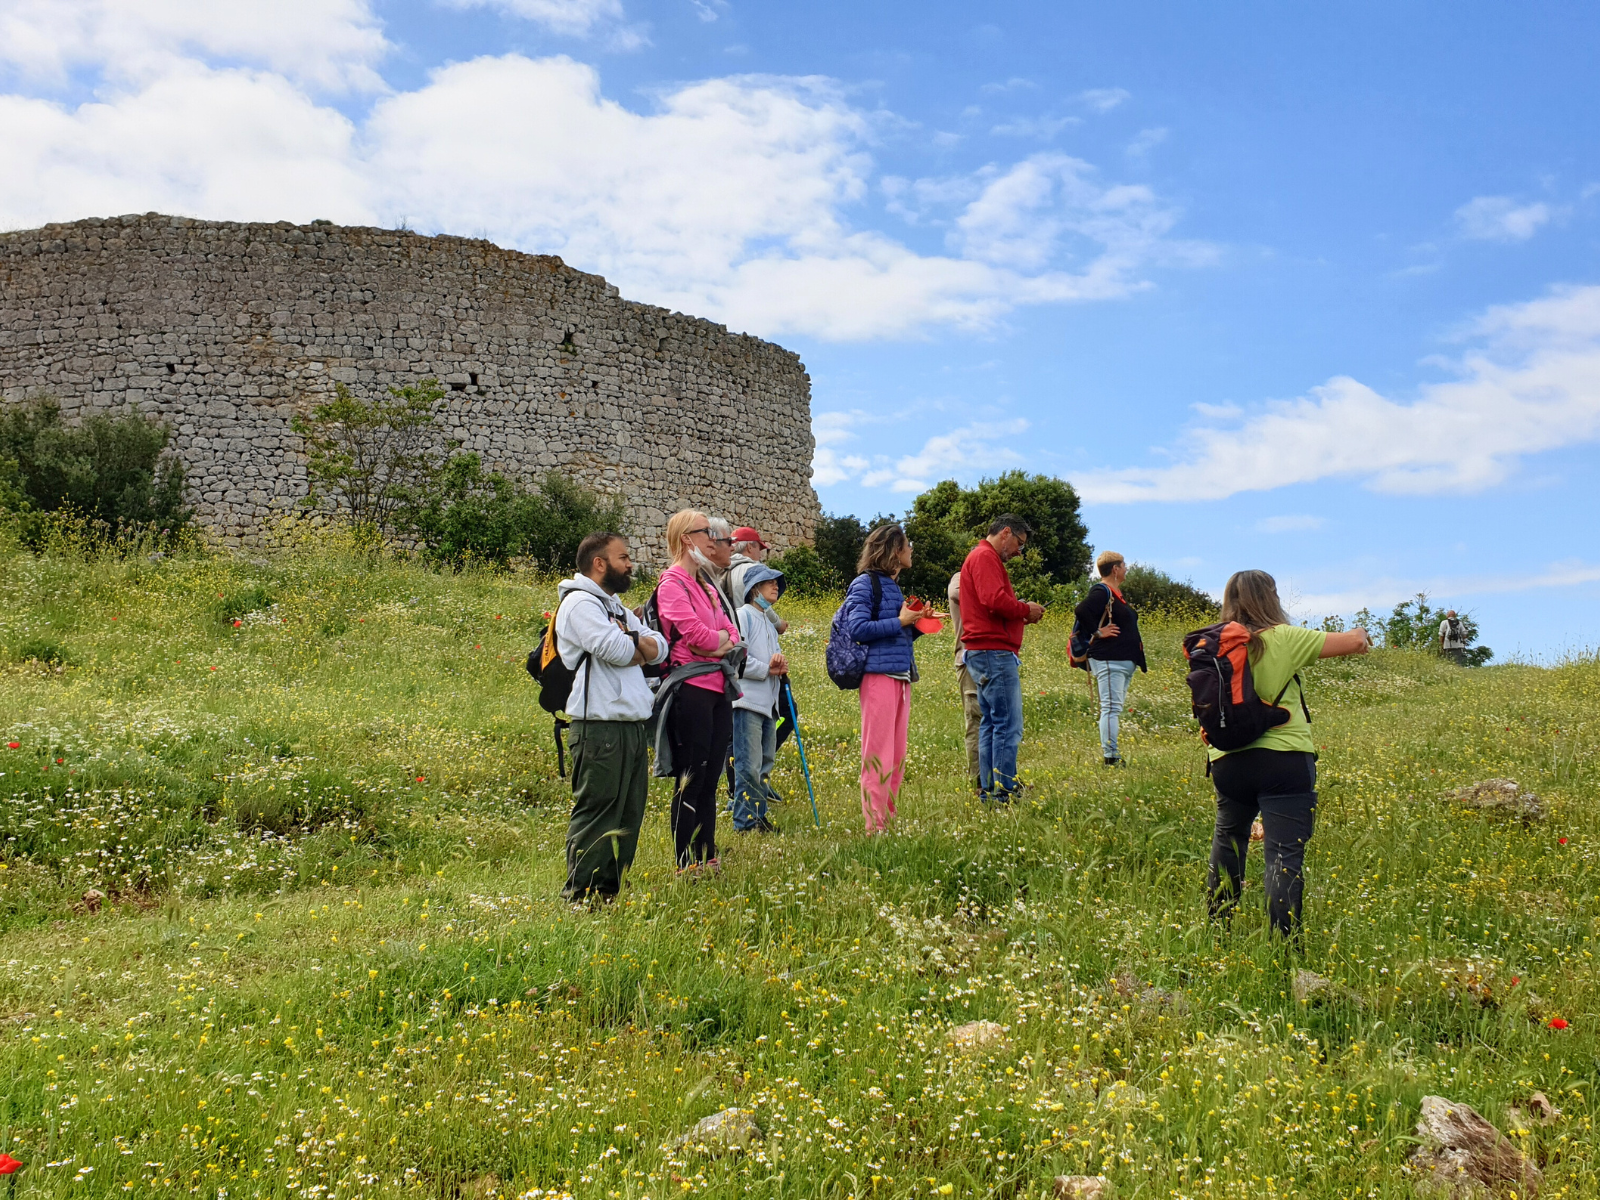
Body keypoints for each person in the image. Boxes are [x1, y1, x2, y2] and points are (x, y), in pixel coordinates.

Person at [1206, 569, 1369, 941]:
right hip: (1284, 759)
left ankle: (1217, 935)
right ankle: (1284, 948)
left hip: (1227, 761)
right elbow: (1354, 643)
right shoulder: (1284, 637)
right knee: (1283, 855)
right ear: (1271, 597)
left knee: (1228, 843)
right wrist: (1361, 632)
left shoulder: (1215, 644)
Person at [553, 531, 668, 902]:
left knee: (628, 814)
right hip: (599, 726)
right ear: (599, 563)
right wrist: (636, 644)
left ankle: (610, 888)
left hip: (630, 726)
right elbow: (615, 649)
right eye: (623, 557)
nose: (630, 563)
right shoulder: (580, 604)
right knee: (598, 812)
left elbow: (660, 647)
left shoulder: (614, 606)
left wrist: (634, 640)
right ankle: (583, 893)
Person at [654, 509, 742, 875]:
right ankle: (685, 862)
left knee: (711, 777)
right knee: (691, 775)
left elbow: (733, 636)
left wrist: (716, 644)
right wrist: (716, 643)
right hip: (689, 689)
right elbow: (699, 636)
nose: (713, 537)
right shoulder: (671, 583)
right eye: (705, 531)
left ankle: (707, 856)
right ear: (686, 538)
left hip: (718, 688)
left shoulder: (708, 587)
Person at [842, 524, 942, 832]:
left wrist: (916, 623)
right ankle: (875, 827)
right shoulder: (864, 584)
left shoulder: (892, 585)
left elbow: (896, 634)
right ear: (893, 550)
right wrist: (900, 620)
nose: (911, 550)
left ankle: (887, 820)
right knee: (878, 754)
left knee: (897, 755)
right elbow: (857, 629)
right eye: (907, 545)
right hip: (878, 677)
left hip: (900, 675)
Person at [958, 515, 1046, 803]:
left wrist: (1020, 615)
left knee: (992, 724)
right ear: (1005, 533)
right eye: (1019, 543)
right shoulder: (985, 556)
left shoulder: (980, 556)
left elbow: (991, 603)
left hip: (983, 650)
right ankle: (1004, 792)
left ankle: (991, 789)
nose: (1019, 552)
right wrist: (1024, 609)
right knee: (1008, 724)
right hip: (993, 652)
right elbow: (993, 600)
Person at [1074, 551, 1147, 766]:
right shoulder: (1102, 590)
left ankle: (1112, 753)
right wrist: (1097, 633)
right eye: (1123, 565)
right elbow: (1081, 610)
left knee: (1114, 707)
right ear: (1115, 569)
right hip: (1108, 658)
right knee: (1111, 707)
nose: (1126, 568)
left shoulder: (1114, 593)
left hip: (1120, 660)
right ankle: (1111, 756)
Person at [731, 564, 788, 833]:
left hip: (768, 703)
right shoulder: (744, 615)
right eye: (769, 582)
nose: (775, 585)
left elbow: (772, 659)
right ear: (754, 589)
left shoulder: (767, 621)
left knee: (765, 762)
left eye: (777, 582)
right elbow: (736, 657)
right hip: (747, 701)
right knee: (749, 765)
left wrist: (779, 665)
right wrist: (768, 668)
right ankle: (745, 822)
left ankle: (759, 817)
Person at [947, 570, 982, 794]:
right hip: (970, 660)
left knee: (998, 722)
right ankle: (980, 781)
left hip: (991, 658)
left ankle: (1003, 779)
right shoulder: (961, 578)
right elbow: (961, 594)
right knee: (976, 720)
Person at [728, 526, 789, 634]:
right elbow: (761, 602)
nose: (760, 554)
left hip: (731, 633)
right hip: (754, 631)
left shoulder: (724, 570)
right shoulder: (756, 570)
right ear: (749, 547)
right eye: (759, 549)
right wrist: (778, 623)